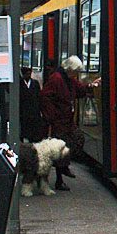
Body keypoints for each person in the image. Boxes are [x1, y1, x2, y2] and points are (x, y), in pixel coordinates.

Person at [40, 55, 94, 190]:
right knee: (62, 148)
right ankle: (60, 176)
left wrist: (90, 86)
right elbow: (45, 96)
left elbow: (80, 90)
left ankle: (64, 167)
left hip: (67, 120)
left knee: (77, 139)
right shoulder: (56, 79)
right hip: (59, 120)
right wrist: (52, 116)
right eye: (76, 71)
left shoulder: (68, 79)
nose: (77, 74)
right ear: (70, 69)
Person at [19, 66, 47, 142]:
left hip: (34, 110)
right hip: (23, 111)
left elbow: (39, 97)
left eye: (29, 73)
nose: (28, 75)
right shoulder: (19, 84)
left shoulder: (35, 83)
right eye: (27, 74)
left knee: (34, 130)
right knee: (24, 129)